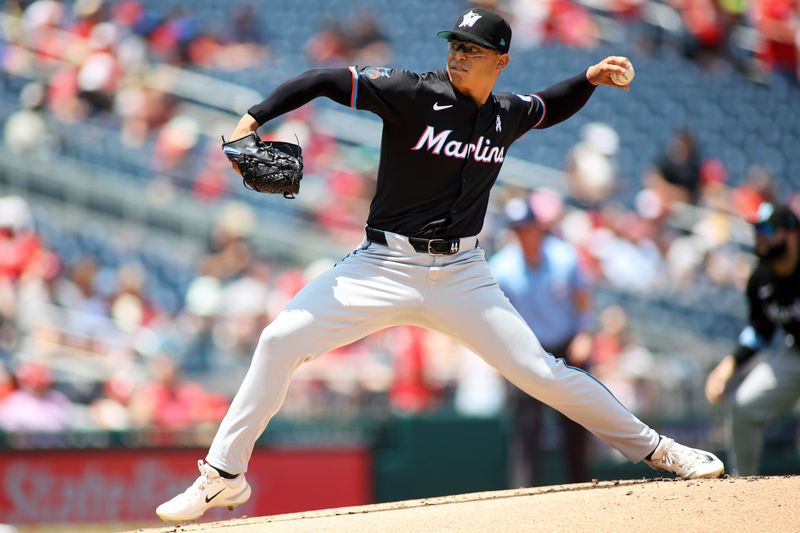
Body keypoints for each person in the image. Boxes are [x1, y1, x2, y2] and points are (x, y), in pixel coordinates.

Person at [156, 7, 724, 522]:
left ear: (500, 61)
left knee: (545, 374)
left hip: (462, 275)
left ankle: (660, 450)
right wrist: (252, 119)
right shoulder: (411, 92)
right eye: (455, 44)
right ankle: (222, 478)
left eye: (471, 49)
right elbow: (325, 79)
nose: (457, 54)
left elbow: (549, 107)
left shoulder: (506, 113)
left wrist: (590, 79)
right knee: (280, 339)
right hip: (383, 264)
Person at [490, 193, 594, 485]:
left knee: (577, 421)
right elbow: (497, 317)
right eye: (518, 229)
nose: (524, 234)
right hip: (528, 351)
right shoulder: (502, 267)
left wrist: (585, 333)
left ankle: (583, 485)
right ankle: (524, 494)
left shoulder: (564, 256)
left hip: (567, 345)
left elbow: (583, 299)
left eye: (528, 227)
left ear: (539, 227)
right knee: (526, 428)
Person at [705, 202, 800, 475]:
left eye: (767, 229)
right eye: (757, 229)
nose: (759, 236)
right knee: (743, 407)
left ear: (792, 233)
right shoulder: (761, 277)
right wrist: (729, 365)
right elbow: (761, 331)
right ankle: (744, 487)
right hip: (794, 353)